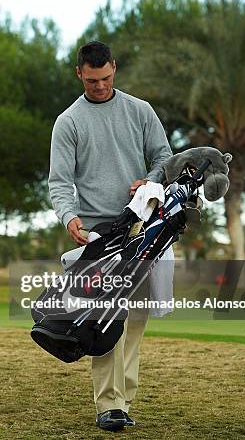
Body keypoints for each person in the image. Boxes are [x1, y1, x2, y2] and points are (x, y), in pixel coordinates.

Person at [48, 41, 172, 432]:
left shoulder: (140, 111)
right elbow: (59, 182)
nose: (99, 86)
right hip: (98, 233)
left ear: (114, 69)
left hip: (144, 223)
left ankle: (123, 399)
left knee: (135, 319)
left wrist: (149, 181)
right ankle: (109, 405)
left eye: (105, 78)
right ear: (78, 74)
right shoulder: (68, 121)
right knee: (105, 316)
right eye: (91, 80)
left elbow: (165, 158)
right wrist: (69, 218)